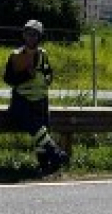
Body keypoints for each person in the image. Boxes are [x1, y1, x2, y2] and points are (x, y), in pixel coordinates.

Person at [4, 19, 69, 175]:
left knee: (41, 132)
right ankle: (56, 153)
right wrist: (26, 75)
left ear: (39, 37)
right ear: (24, 36)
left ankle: (45, 165)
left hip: (41, 99)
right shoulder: (16, 55)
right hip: (23, 100)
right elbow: (8, 79)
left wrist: (47, 79)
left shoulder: (43, 55)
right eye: (28, 34)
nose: (30, 38)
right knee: (38, 129)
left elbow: (48, 71)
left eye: (34, 35)